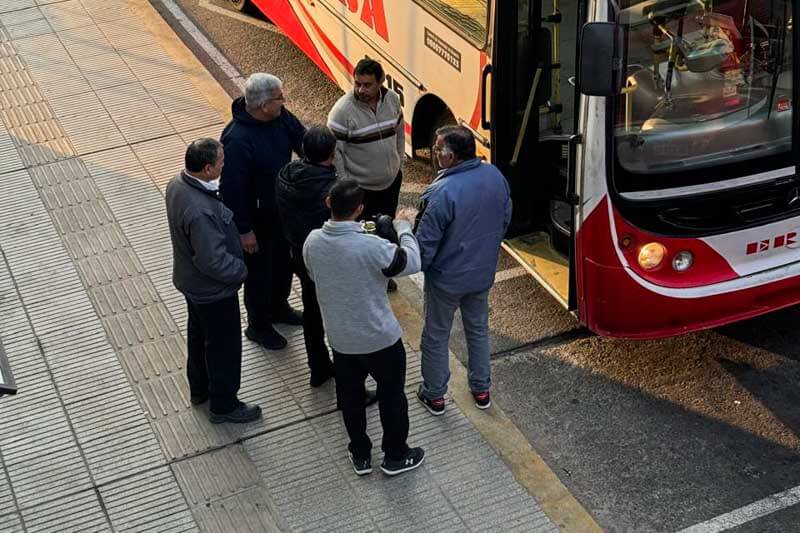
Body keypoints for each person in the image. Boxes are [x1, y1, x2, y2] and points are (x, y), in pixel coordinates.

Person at [303, 179, 425, 477]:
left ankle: (360, 453)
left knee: (351, 399)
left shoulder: (312, 241)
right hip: (380, 338)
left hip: (341, 340)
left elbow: (312, 273)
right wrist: (404, 228)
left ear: (328, 203)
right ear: (359, 209)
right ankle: (395, 454)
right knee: (392, 396)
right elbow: (411, 262)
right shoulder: (372, 246)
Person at [414, 126, 512, 416]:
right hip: (481, 273)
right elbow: (505, 220)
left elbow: (425, 247)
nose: (434, 152)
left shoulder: (441, 192)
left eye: (438, 148)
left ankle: (434, 395)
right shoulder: (495, 175)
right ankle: (481, 389)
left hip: (446, 280)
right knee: (478, 330)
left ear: (452, 157)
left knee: (436, 335)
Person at [165, 138, 262, 424]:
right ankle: (224, 404)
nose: (224, 164)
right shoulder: (200, 210)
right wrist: (241, 270)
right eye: (220, 161)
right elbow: (212, 260)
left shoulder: (177, 184)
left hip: (191, 285)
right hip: (213, 291)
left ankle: (200, 389)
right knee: (224, 347)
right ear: (208, 169)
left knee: (199, 336)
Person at [220, 73, 305, 351]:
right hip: (256, 220)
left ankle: (279, 307)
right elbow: (233, 190)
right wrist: (244, 230)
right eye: (280, 98)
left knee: (282, 264)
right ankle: (258, 324)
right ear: (264, 105)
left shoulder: (279, 117)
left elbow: (301, 140)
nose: (284, 102)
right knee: (258, 273)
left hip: (281, 211)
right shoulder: (237, 140)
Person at [327, 58, 405, 292]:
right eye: (357, 84)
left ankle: (382, 274)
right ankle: (365, 279)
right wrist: (347, 184)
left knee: (384, 232)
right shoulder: (342, 112)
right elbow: (336, 154)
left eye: (367, 85)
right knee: (363, 236)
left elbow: (400, 133)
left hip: (390, 183)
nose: (360, 90)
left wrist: (397, 162)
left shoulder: (392, 100)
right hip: (362, 189)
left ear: (380, 82)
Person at [274, 126, 339, 387]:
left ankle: (319, 366)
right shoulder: (328, 190)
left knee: (312, 311)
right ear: (331, 155)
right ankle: (331, 369)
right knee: (331, 316)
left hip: (297, 251)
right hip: (324, 261)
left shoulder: (286, 174)